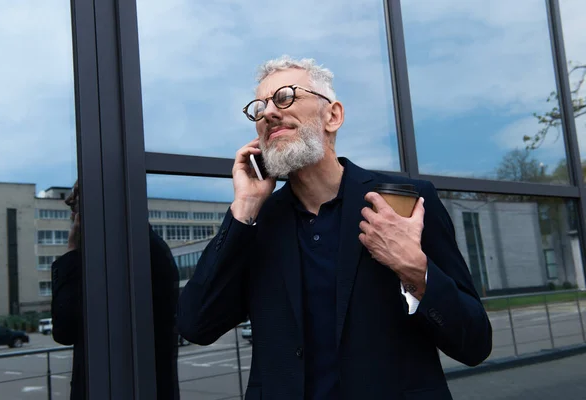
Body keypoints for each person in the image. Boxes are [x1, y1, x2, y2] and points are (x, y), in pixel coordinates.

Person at [177, 55, 492, 399]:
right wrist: (245, 207)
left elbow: (474, 343)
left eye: (285, 97)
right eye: (259, 108)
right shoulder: (258, 222)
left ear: (333, 115)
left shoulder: (406, 202)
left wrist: (415, 270)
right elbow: (196, 325)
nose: (268, 113)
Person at [51, 181, 180, 400]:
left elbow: (64, 330)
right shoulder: (139, 247)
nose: (71, 208)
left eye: (77, 200)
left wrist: (72, 252)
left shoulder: (133, 252)